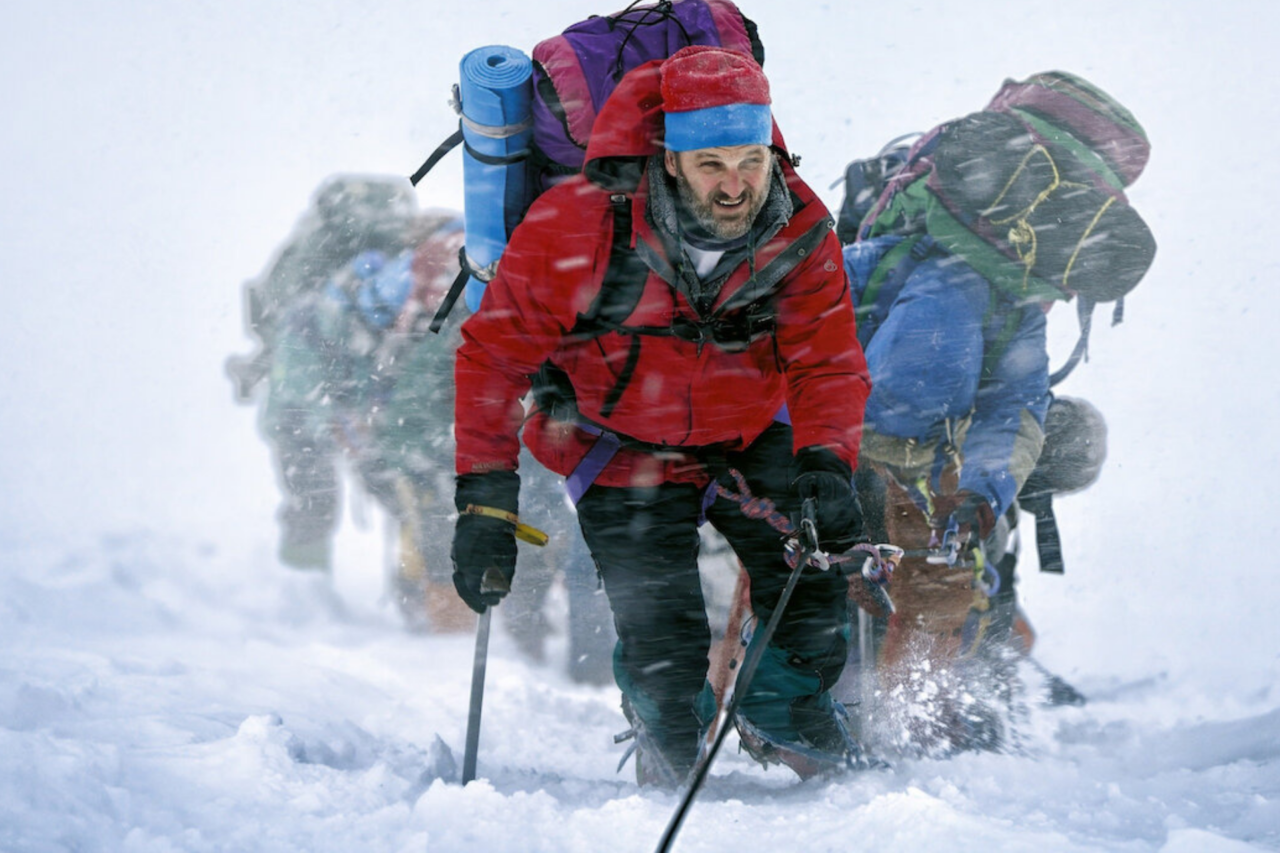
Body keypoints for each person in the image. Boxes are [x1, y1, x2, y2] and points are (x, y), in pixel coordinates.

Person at [447, 45, 872, 785]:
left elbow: (826, 359)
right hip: (617, 445)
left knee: (817, 557)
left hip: (746, 432)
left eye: (751, 159)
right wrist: (484, 499)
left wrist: (827, 461)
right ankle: (667, 732)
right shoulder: (575, 224)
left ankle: (784, 707)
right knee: (663, 639)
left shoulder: (800, 230)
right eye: (711, 165)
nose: (736, 185)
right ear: (669, 159)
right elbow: (491, 357)